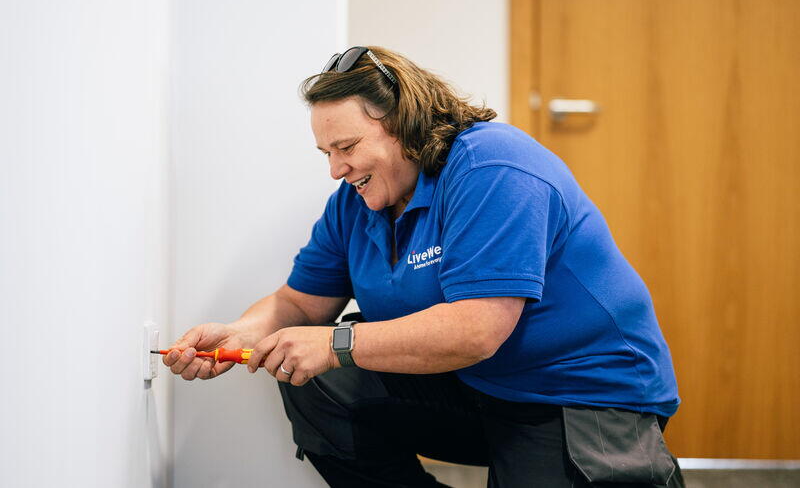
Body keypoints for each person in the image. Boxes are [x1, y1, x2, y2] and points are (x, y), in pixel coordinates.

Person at [163, 46, 684, 488]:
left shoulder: (493, 167)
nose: (336, 169)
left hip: (578, 396)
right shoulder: (355, 203)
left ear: (405, 124)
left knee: (331, 350)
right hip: (477, 388)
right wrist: (238, 333)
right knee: (317, 382)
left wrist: (335, 343)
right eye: (326, 153)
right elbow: (298, 303)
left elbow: (477, 330)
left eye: (347, 147)